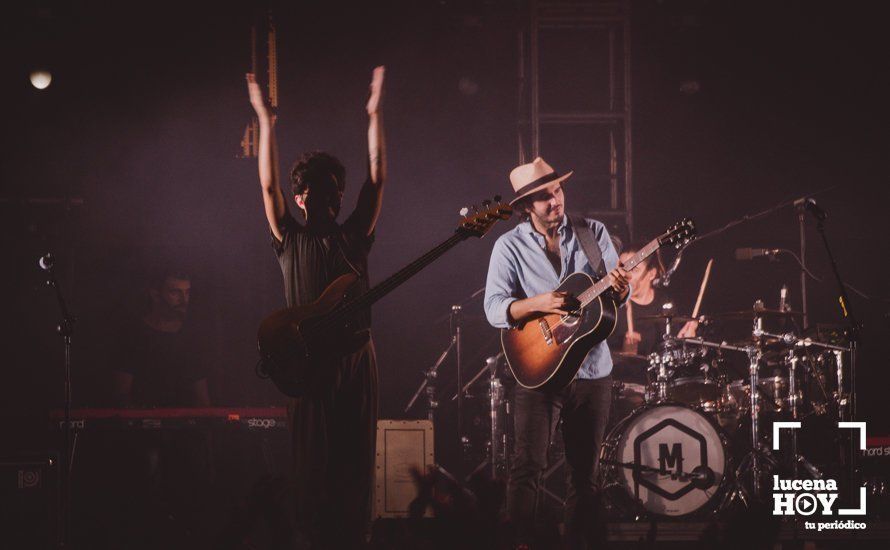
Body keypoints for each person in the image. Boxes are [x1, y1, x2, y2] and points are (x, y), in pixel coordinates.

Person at [246, 65, 386, 549]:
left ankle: (355, 537)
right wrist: (266, 123)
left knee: (355, 461)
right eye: (314, 190)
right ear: (302, 197)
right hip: (307, 361)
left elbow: (377, 177)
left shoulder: (354, 236)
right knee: (310, 465)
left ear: (339, 195)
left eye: (333, 190)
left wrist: (374, 114)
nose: (325, 197)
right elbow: (268, 188)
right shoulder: (290, 238)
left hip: (355, 355)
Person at [484, 157, 630, 549]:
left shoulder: (591, 232)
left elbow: (617, 293)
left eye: (558, 191)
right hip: (538, 371)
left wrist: (620, 287)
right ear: (526, 207)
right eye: (544, 197)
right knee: (527, 467)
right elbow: (495, 308)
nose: (555, 201)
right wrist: (540, 303)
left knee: (586, 476)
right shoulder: (508, 246)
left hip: (592, 370)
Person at [111, 269, 211, 407]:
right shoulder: (134, 334)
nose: (184, 300)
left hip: (184, 425)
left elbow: (202, 398)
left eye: (187, 292)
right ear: (155, 295)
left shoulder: (191, 336)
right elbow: (121, 394)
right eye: (175, 292)